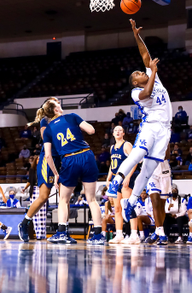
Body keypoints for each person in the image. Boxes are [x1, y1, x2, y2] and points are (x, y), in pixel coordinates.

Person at [108, 20, 172, 232]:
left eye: (143, 72)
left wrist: (137, 36)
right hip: (151, 126)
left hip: (165, 129)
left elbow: (145, 56)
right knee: (137, 154)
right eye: (138, 74)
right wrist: (152, 73)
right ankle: (116, 181)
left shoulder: (155, 78)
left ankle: (132, 202)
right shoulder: (136, 92)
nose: (142, 72)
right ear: (135, 82)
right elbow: (147, 93)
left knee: (149, 167)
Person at [37, 99, 104, 245]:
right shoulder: (72, 116)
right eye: (58, 105)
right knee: (91, 199)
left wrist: (55, 174)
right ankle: (98, 235)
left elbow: (48, 155)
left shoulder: (48, 130)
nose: (61, 105)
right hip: (86, 155)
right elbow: (92, 130)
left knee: (63, 199)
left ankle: (62, 232)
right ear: (55, 110)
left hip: (69, 159)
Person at [18, 97, 62, 242]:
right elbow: (45, 137)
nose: (58, 103)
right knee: (43, 196)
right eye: (55, 102)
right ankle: (24, 223)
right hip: (47, 159)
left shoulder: (64, 119)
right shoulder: (46, 120)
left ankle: (63, 231)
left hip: (61, 157)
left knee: (64, 196)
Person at [104, 126, 139, 244]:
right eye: (115, 130)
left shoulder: (127, 145)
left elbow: (134, 161)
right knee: (117, 208)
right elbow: (112, 165)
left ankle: (134, 235)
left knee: (128, 206)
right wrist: (108, 178)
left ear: (123, 133)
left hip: (125, 178)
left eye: (120, 130)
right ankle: (119, 234)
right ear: (113, 134)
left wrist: (128, 176)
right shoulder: (112, 148)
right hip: (115, 178)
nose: (118, 132)